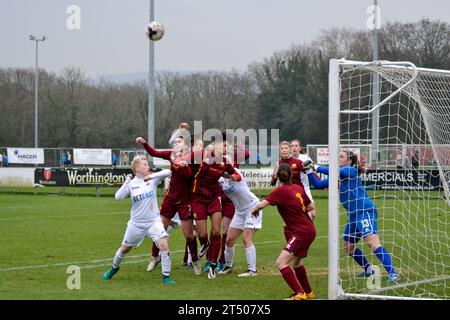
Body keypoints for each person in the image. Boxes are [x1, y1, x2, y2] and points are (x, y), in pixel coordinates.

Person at [305, 150, 400, 283]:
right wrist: (308, 170)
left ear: (349, 161)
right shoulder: (338, 176)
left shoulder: (350, 170)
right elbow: (319, 184)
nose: (338, 158)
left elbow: (336, 172)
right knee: (348, 247)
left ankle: (393, 274)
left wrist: (314, 166)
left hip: (364, 210)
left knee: (373, 243)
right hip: (353, 215)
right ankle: (368, 270)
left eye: (341, 156)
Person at [102, 155, 176, 284]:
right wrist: (126, 181)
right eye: (145, 165)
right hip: (136, 224)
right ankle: (114, 268)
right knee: (124, 249)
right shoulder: (131, 183)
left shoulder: (152, 179)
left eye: (147, 164)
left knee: (164, 245)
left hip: (154, 221)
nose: (148, 167)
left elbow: (169, 171)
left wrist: (152, 176)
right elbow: (118, 197)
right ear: (137, 168)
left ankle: (166, 277)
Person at [136, 134, 202, 276]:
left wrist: (184, 165)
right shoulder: (171, 155)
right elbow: (154, 153)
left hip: (185, 201)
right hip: (170, 199)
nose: (175, 144)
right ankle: (154, 257)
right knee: (159, 229)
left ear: (186, 145)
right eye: (175, 142)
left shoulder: (191, 158)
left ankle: (195, 261)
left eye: (179, 142)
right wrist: (144, 143)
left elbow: (189, 175)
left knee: (189, 235)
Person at [251, 164, 316, 300]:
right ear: (291, 175)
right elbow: (310, 207)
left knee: (281, 263)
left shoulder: (279, 191)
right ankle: (309, 293)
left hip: (300, 232)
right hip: (310, 229)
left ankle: (299, 293)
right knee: (296, 263)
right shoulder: (298, 188)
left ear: (277, 177)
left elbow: (262, 204)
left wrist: (255, 210)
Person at [191, 139, 242, 279]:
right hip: (198, 198)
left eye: (227, 146)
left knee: (216, 231)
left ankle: (213, 264)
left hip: (214, 198)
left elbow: (237, 175)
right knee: (202, 234)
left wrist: (233, 176)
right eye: (224, 145)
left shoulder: (225, 161)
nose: (226, 148)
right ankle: (205, 244)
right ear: (216, 146)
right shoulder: (204, 155)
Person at [217, 167, 262, 277]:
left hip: (253, 207)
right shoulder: (219, 179)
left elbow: (237, 177)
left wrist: (229, 175)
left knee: (246, 239)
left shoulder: (235, 171)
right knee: (229, 240)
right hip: (239, 211)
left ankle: (252, 271)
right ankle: (229, 266)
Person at [290, 139, 316, 218]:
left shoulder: (305, 158)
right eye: (292, 146)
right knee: (294, 213)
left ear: (300, 148)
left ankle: (307, 225)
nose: (294, 148)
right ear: (290, 148)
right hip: (293, 189)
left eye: (296, 146)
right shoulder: (288, 159)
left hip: (305, 188)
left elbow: (314, 168)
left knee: (313, 213)